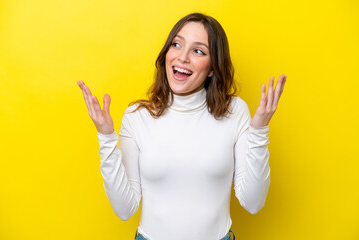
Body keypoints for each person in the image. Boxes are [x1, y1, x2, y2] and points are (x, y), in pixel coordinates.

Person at [77, 12, 286, 240]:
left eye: (198, 51)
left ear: (213, 68)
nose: (182, 57)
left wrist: (259, 132)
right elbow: (124, 210)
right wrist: (106, 137)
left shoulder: (235, 111)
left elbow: (253, 202)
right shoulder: (138, 116)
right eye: (176, 44)